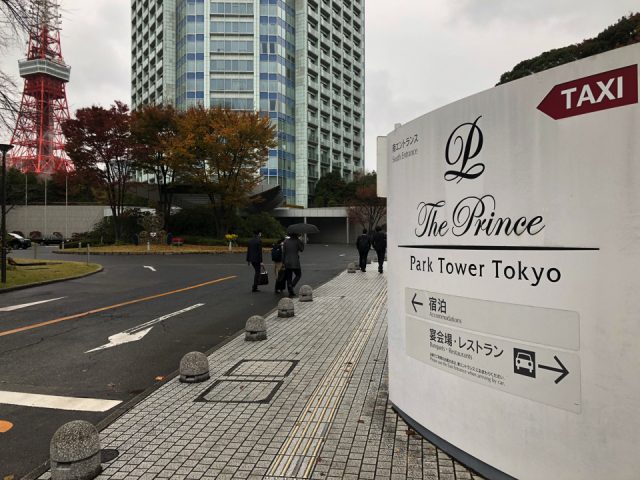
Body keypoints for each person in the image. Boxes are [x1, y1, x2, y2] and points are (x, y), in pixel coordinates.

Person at [283, 232, 304, 297]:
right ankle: (292, 285)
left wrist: (283, 262)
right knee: (298, 275)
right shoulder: (298, 241)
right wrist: (302, 241)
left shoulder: (286, 241)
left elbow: (283, 252)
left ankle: (290, 292)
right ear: (296, 235)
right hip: (295, 262)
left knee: (289, 277)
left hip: (287, 261)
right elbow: (302, 249)